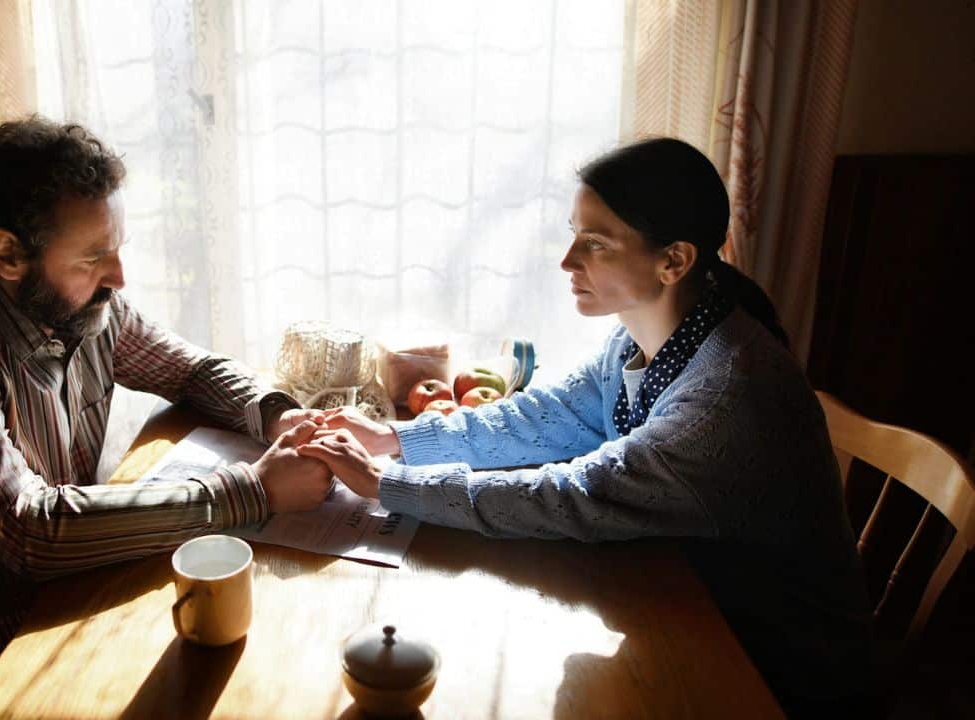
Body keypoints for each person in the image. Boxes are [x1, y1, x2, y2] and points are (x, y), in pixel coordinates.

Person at [299, 138, 871, 714]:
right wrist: (398, 439)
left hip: (773, 673)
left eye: (595, 244)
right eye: (574, 233)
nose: (568, 260)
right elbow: (549, 413)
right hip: (687, 597)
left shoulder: (726, 397)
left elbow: (574, 497)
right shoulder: (656, 326)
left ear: (674, 260)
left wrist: (387, 482)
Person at [0, 117, 332, 709]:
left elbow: (187, 369)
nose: (119, 276)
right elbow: (29, 527)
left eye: (117, 247)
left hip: (44, 582)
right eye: (93, 257)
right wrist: (252, 490)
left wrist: (274, 413)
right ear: (7, 255)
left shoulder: (78, 303)